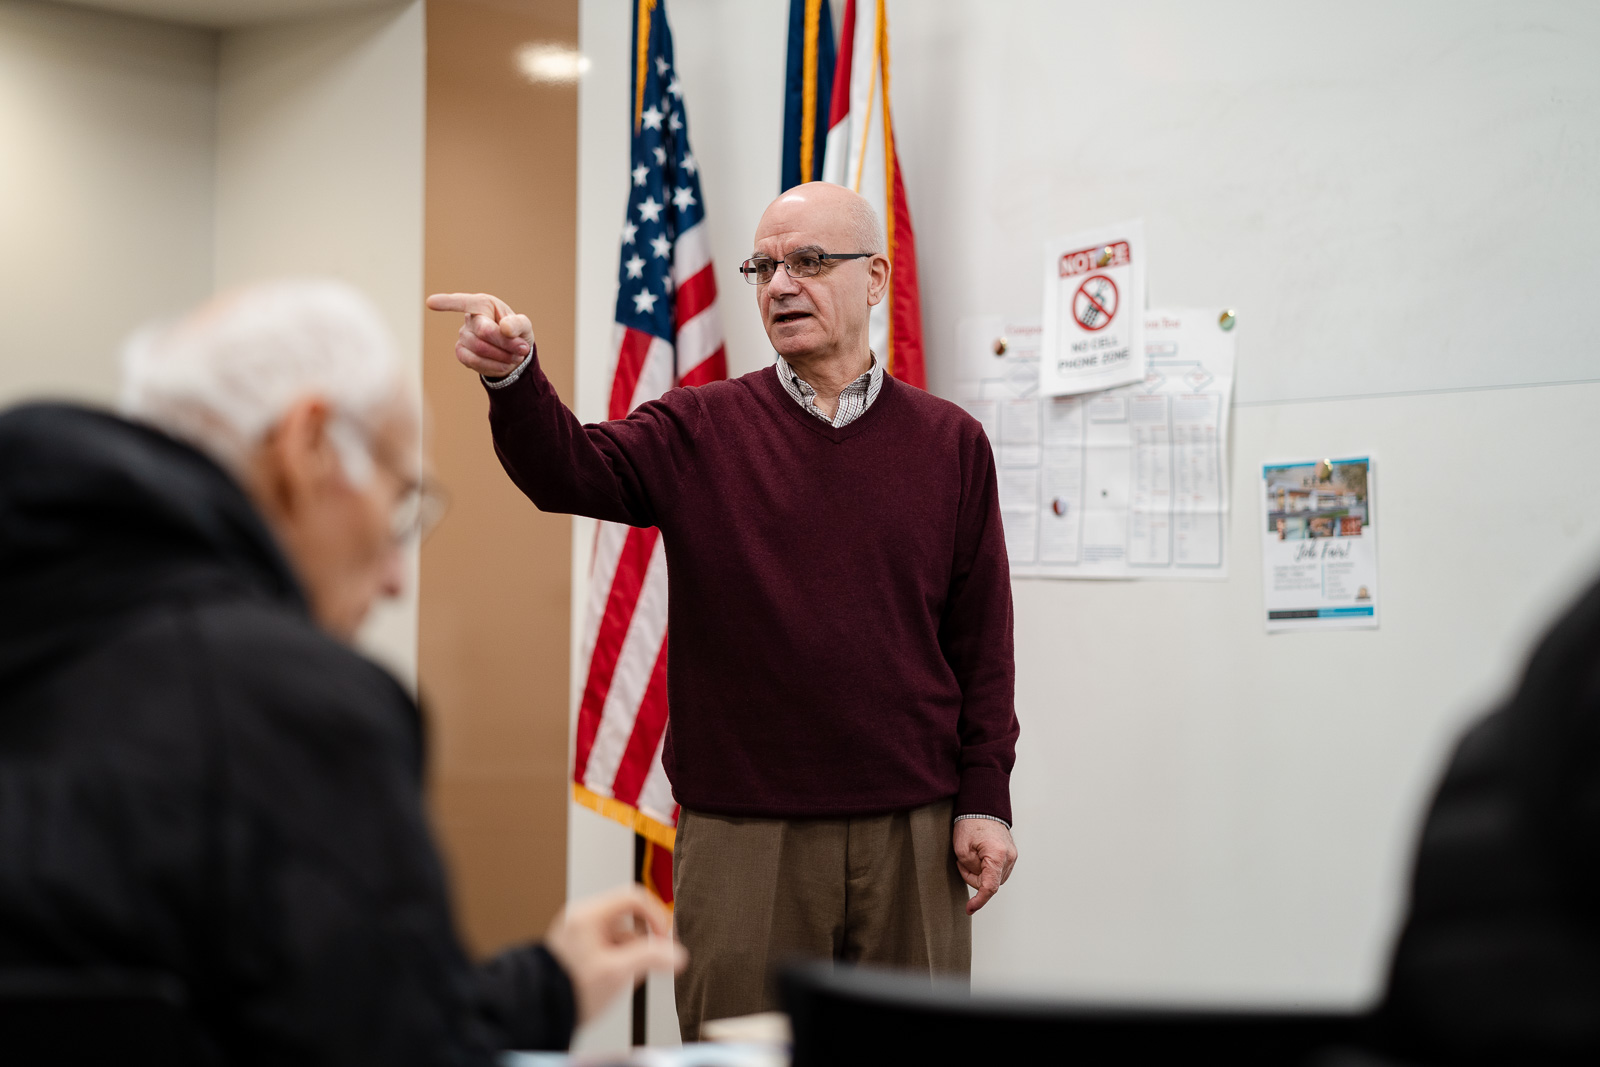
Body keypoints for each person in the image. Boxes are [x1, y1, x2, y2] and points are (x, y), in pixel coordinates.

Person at [0, 280, 683, 1063]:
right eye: (401, 500)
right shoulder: (284, 707)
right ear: (310, 445)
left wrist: (547, 986)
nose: (397, 576)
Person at [429, 181, 1020, 1039]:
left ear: (877, 278)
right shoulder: (701, 426)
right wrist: (514, 375)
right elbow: (566, 469)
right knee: (736, 1058)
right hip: (746, 832)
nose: (781, 283)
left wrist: (985, 796)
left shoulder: (951, 442)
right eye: (764, 265)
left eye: (810, 261)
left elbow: (983, 642)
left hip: (913, 827)